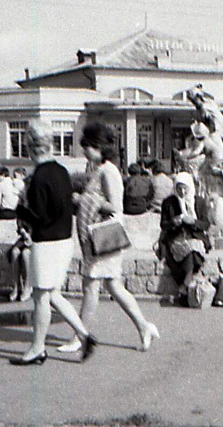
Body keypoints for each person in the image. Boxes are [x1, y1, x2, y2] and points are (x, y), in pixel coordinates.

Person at [58, 122, 160, 353]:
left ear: (98, 147)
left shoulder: (108, 171)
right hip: (101, 238)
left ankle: (80, 336)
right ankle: (144, 327)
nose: (84, 150)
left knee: (91, 285)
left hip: (103, 238)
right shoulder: (99, 169)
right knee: (113, 286)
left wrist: (83, 200)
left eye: (87, 146)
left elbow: (115, 207)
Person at [10, 121, 96, 365]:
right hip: (64, 240)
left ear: (30, 147)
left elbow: (39, 218)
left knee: (40, 297)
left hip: (46, 243)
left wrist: (19, 210)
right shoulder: (60, 171)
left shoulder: (38, 177)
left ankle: (37, 348)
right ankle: (85, 336)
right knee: (54, 294)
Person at [157, 172, 212, 305]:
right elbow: (163, 225)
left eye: (184, 188)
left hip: (195, 237)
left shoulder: (199, 202)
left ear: (190, 187)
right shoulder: (169, 203)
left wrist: (193, 221)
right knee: (191, 253)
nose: (182, 191)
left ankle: (184, 287)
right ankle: (186, 285)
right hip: (177, 238)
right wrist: (173, 222)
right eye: (179, 188)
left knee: (193, 249)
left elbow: (206, 224)